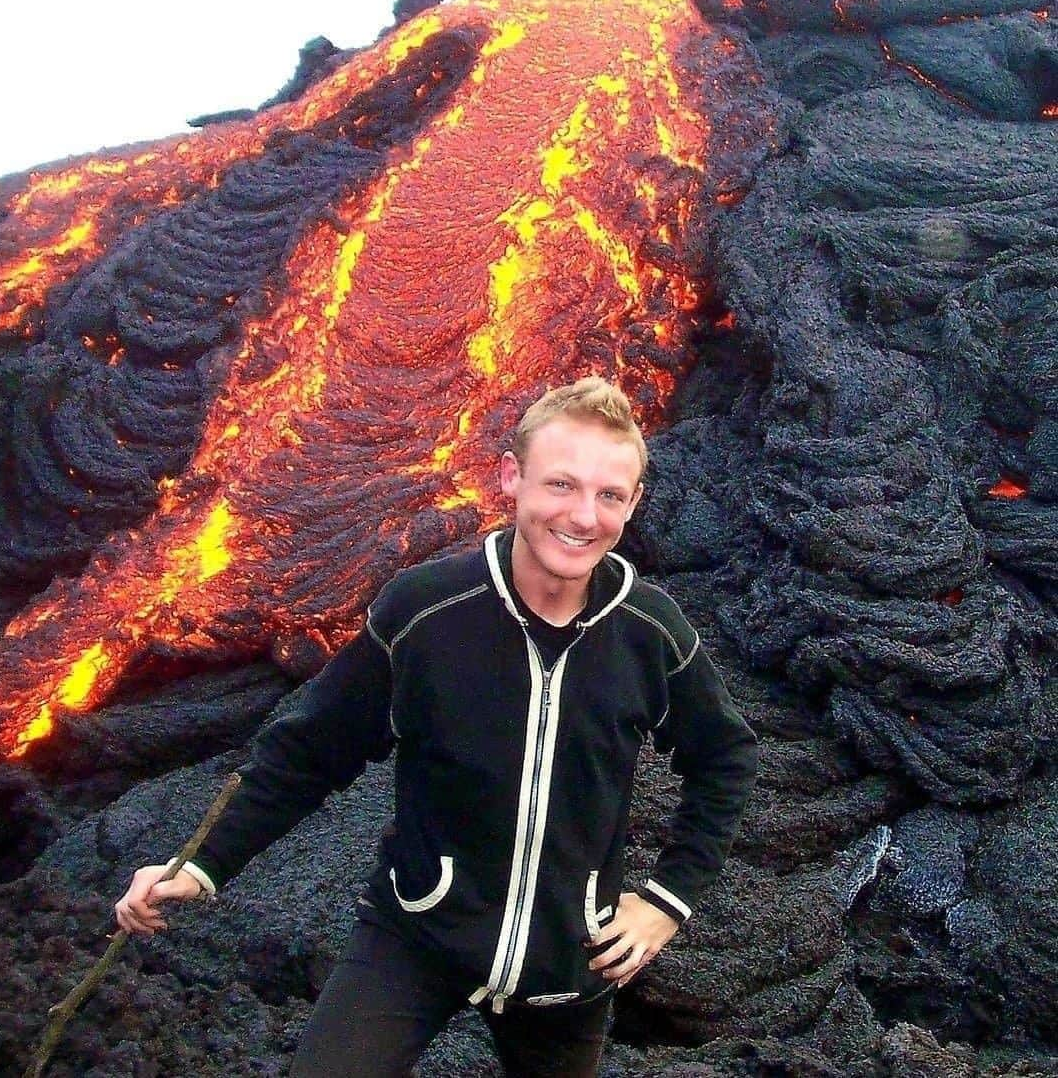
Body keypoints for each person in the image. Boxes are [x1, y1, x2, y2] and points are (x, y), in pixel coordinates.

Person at [116, 378, 757, 1076]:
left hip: (569, 959)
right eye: (561, 484)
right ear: (511, 477)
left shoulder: (649, 632)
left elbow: (726, 756)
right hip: (416, 931)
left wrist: (667, 900)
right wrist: (204, 865)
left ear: (633, 505)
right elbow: (311, 751)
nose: (582, 515)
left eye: (609, 495)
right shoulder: (426, 612)